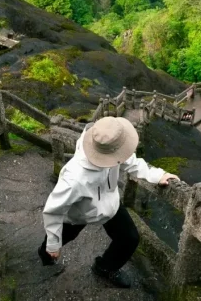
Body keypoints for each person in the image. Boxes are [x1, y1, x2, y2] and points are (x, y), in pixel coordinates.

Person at [39, 116, 180, 288]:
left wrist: (158, 175)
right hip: (78, 213)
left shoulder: (111, 148)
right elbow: (54, 210)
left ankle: (105, 267)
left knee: (129, 238)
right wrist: (53, 244)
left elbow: (131, 161)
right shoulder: (74, 179)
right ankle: (45, 255)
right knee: (60, 239)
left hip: (109, 205)